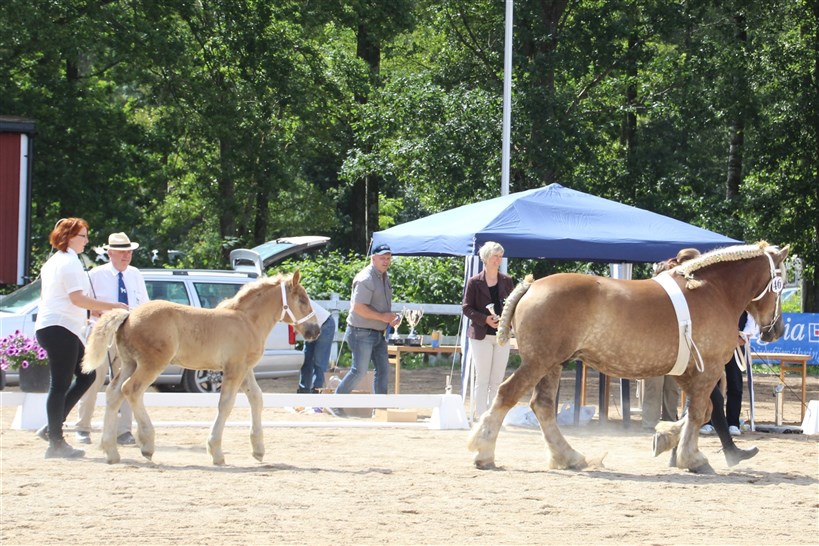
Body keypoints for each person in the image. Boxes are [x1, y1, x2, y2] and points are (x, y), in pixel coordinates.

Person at [34, 218, 128, 459]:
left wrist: (96, 311)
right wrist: (112, 306)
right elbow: (77, 299)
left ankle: (52, 429)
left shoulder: (56, 261)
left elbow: (71, 300)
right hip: (59, 327)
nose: (87, 241)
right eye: (83, 236)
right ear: (69, 237)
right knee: (61, 384)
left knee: (87, 376)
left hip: (58, 326)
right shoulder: (69, 263)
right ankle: (55, 441)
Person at [74, 232, 149, 446]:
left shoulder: (135, 275)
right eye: (122, 252)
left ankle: (123, 430)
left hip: (129, 335)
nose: (126, 256)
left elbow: (144, 304)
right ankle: (83, 427)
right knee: (92, 380)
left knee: (128, 381)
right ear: (110, 253)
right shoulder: (95, 275)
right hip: (103, 333)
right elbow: (86, 306)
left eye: (129, 252)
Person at [641, 248, 700, 431]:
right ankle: (650, 424)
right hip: (656, 341)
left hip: (675, 342)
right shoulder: (664, 282)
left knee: (671, 386)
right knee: (655, 384)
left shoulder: (686, 285)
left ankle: (669, 422)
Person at [333, 243, 401, 401]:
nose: (386, 261)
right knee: (359, 371)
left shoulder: (383, 276)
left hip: (377, 332)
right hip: (361, 332)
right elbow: (358, 307)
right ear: (373, 258)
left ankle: (380, 408)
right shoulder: (366, 278)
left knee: (383, 370)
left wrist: (391, 317)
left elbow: (379, 307)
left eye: (388, 258)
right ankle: (335, 403)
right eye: (382, 258)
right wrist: (383, 317)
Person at [462, 241, 515, 419]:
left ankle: (494, 417)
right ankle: (481, 416)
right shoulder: (474, 282)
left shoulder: (507, 281)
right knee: (483, 379)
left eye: (500, 256)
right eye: (495, 256)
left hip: (502, 335)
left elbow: (513, 306)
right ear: (486, 258)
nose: (498, 260)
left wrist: (506, 324)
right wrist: (485, 319)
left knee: (497, 380)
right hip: (481, 336)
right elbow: (466, 308)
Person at [701, 311, 757, 436]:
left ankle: (733, 422)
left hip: (736, 343)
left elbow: (752, 315)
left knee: (735, 382)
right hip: (716, 342)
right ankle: (708, 421)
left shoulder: (745, 292)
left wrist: (745, 335)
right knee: (713, 383)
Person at [298, 300, 336, 393]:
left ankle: (317, 389)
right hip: (311, 326)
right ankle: (304, 389)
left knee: (319, 361)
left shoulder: (296, 300)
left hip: (325, 324)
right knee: (307, 359)